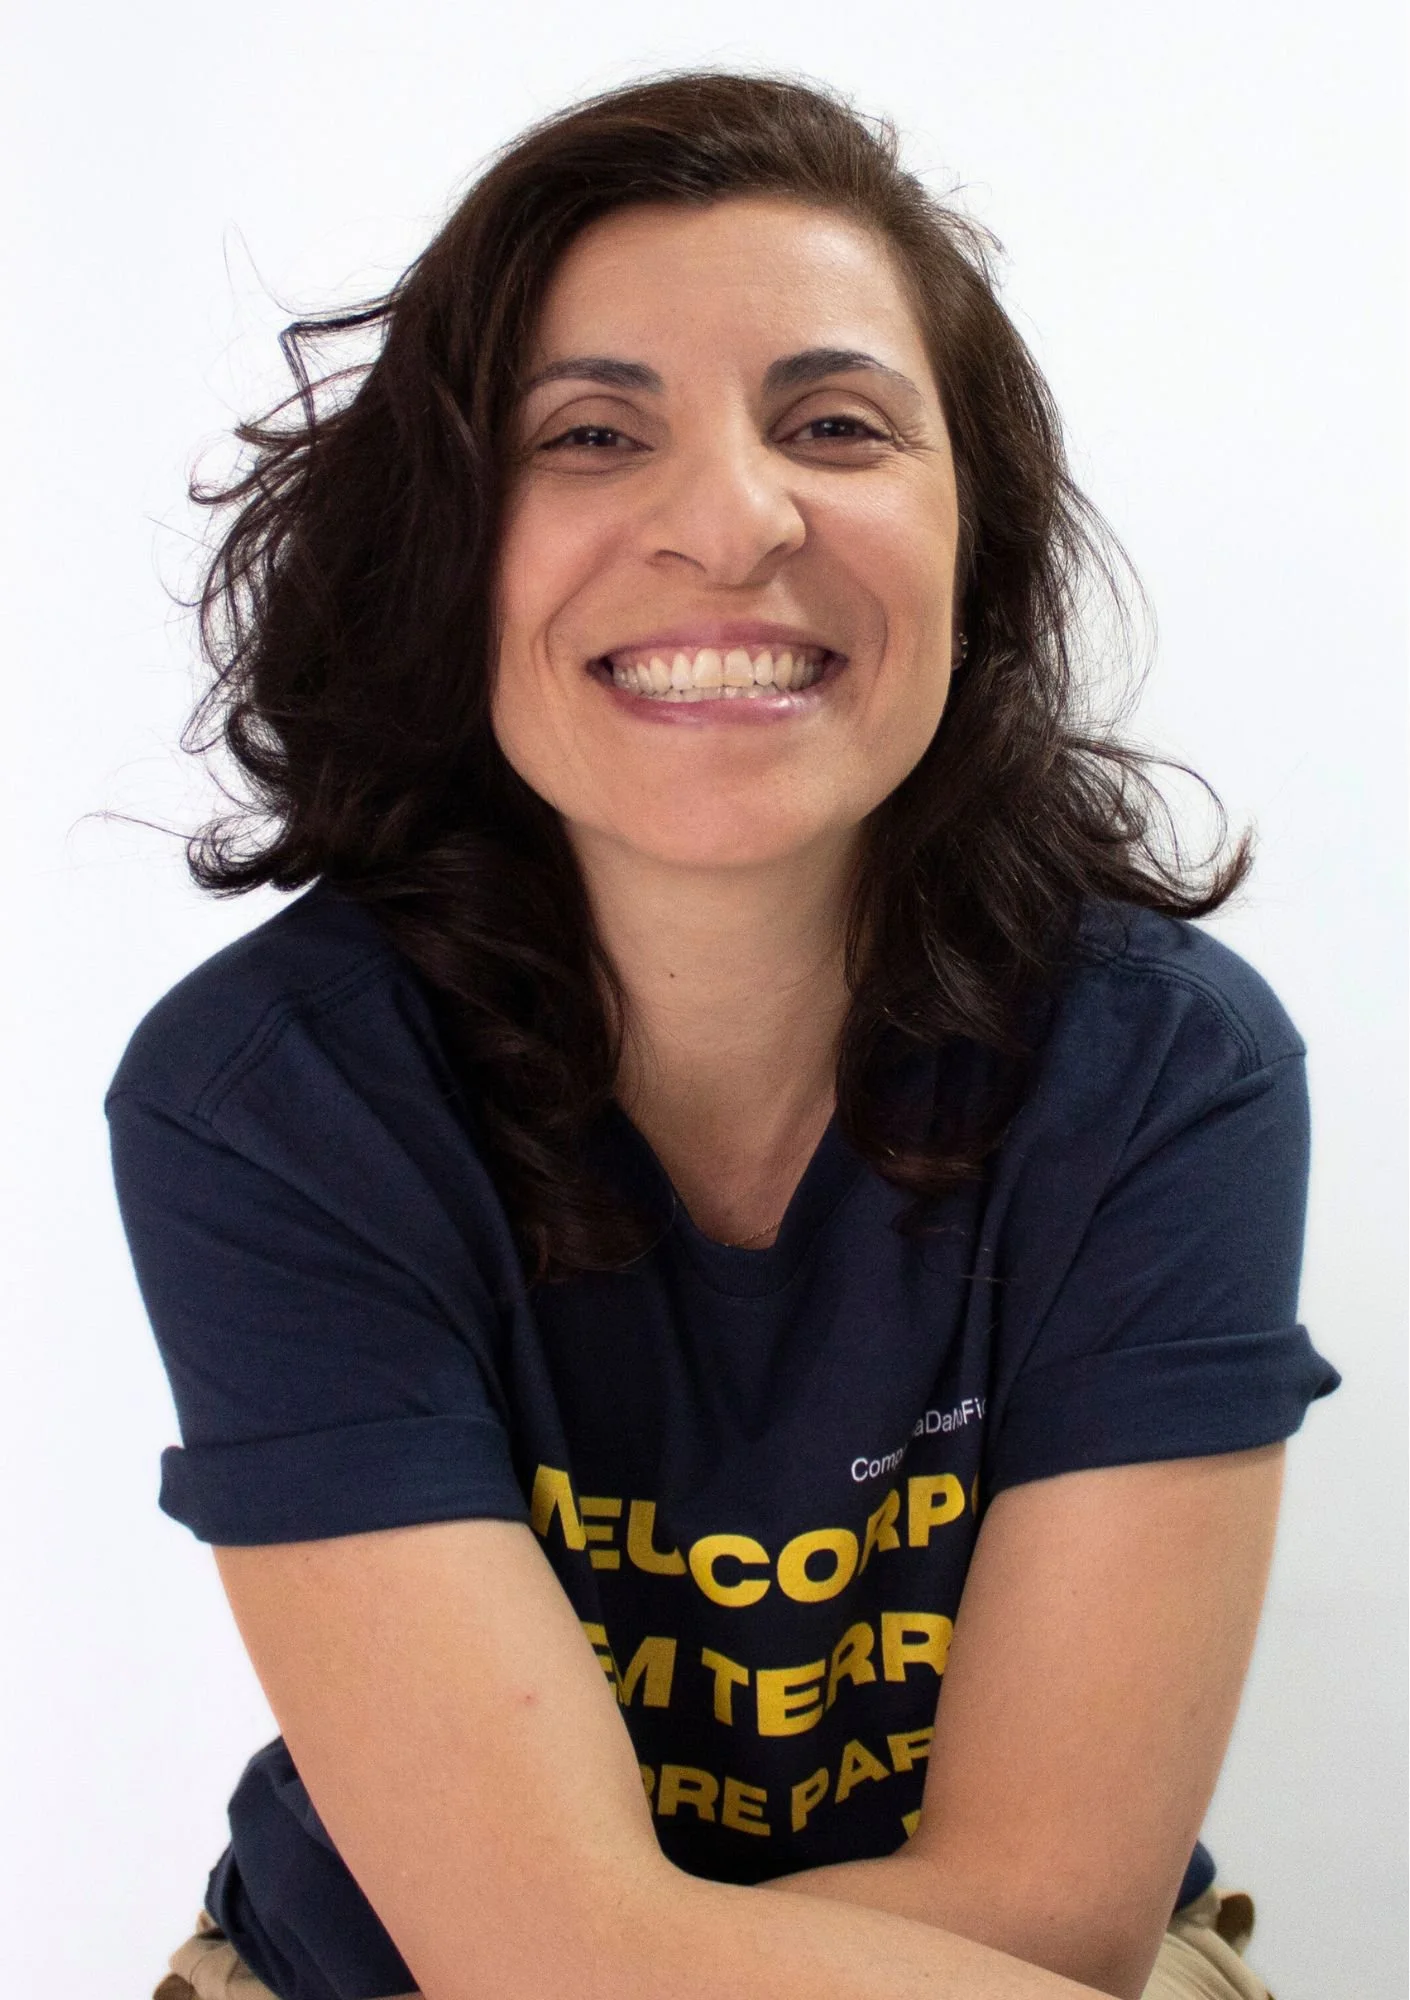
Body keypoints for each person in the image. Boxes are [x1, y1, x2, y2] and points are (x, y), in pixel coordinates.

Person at [109, 70, 1339, 2000]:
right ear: (450, 549)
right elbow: (526, 1960)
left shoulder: (1163, 1071)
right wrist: (586, 1946)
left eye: (834, 425)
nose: (730, 521)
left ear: (976, 541)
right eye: (591, 434)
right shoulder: (269, 1098)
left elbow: (1057, 1917)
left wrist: (607, 1946)